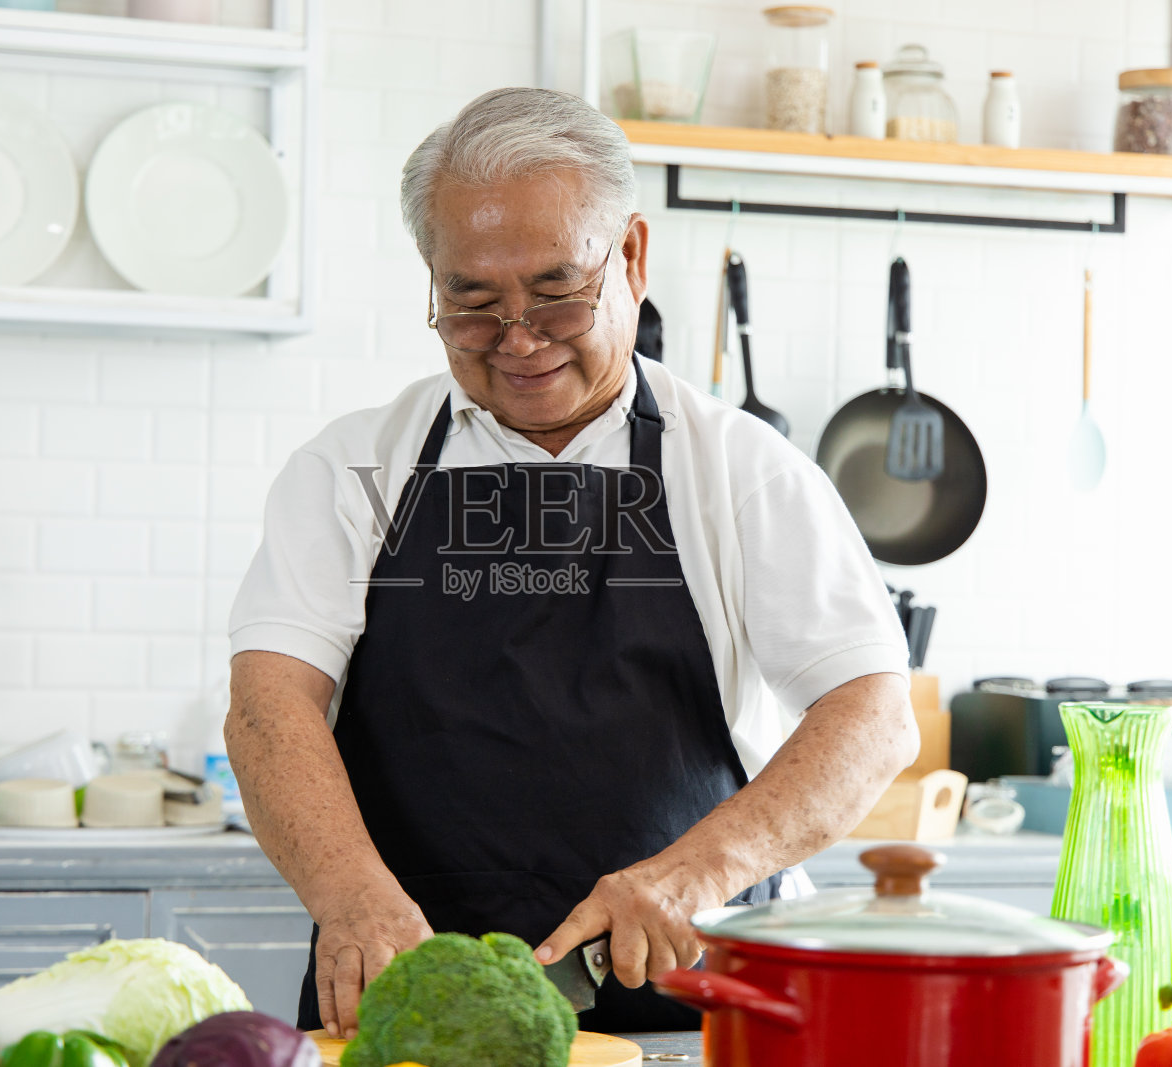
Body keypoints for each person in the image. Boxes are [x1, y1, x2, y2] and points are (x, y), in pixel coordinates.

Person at [225, 86, 919, 1038]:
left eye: (557, 293)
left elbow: (874, 714)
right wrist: (348, 894)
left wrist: (699, 870)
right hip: (408, 1009)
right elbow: (270, 703)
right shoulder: (352, 471)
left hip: (685, 1008)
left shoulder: (740, 470)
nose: (518, 340)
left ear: (630, 256)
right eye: (472, 304)